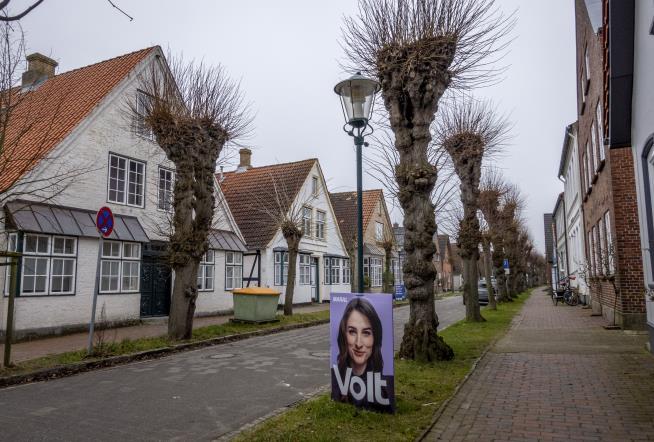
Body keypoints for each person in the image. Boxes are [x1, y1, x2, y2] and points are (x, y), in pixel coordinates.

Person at [332, 296, 394, 411]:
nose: (358, 343)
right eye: (352, 332)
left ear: (375, 337)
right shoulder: (335, 379)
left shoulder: (387, 384)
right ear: (343, 334)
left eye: (366, 333)